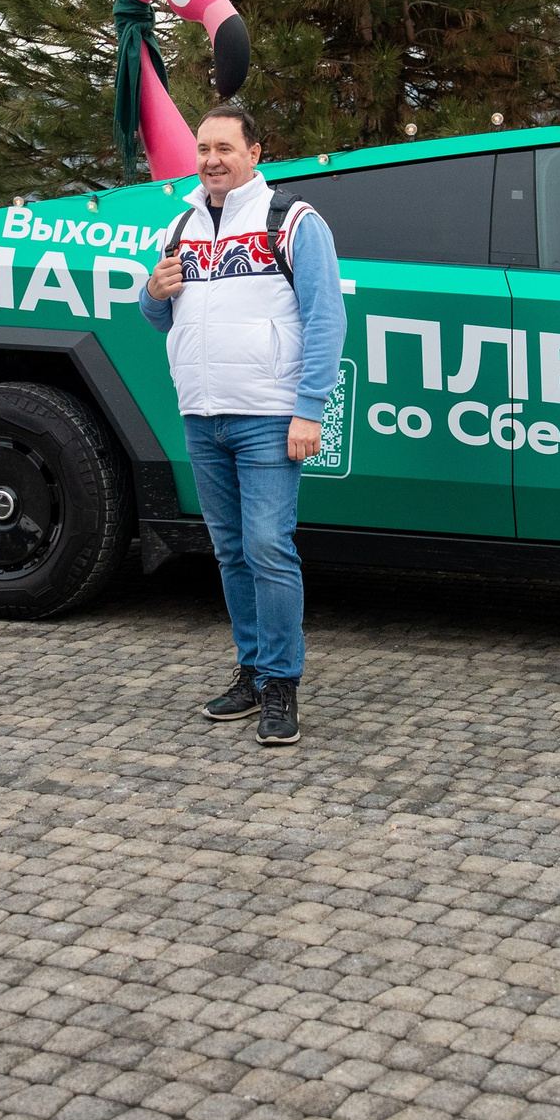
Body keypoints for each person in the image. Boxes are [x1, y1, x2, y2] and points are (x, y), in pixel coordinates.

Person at [139, 103, 346, 744]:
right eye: (203, 149)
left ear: (255, 153)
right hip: (203, 415)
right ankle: (252, 672)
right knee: (230, 550)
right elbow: (160, 315)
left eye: (225, 148)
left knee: (267, 548)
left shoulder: (294, 221)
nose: (212, 160)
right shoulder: (181, 225)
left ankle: (281, 683)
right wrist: (154, 292)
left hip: (269, 417)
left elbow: (327, 319)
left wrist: (310, 410)